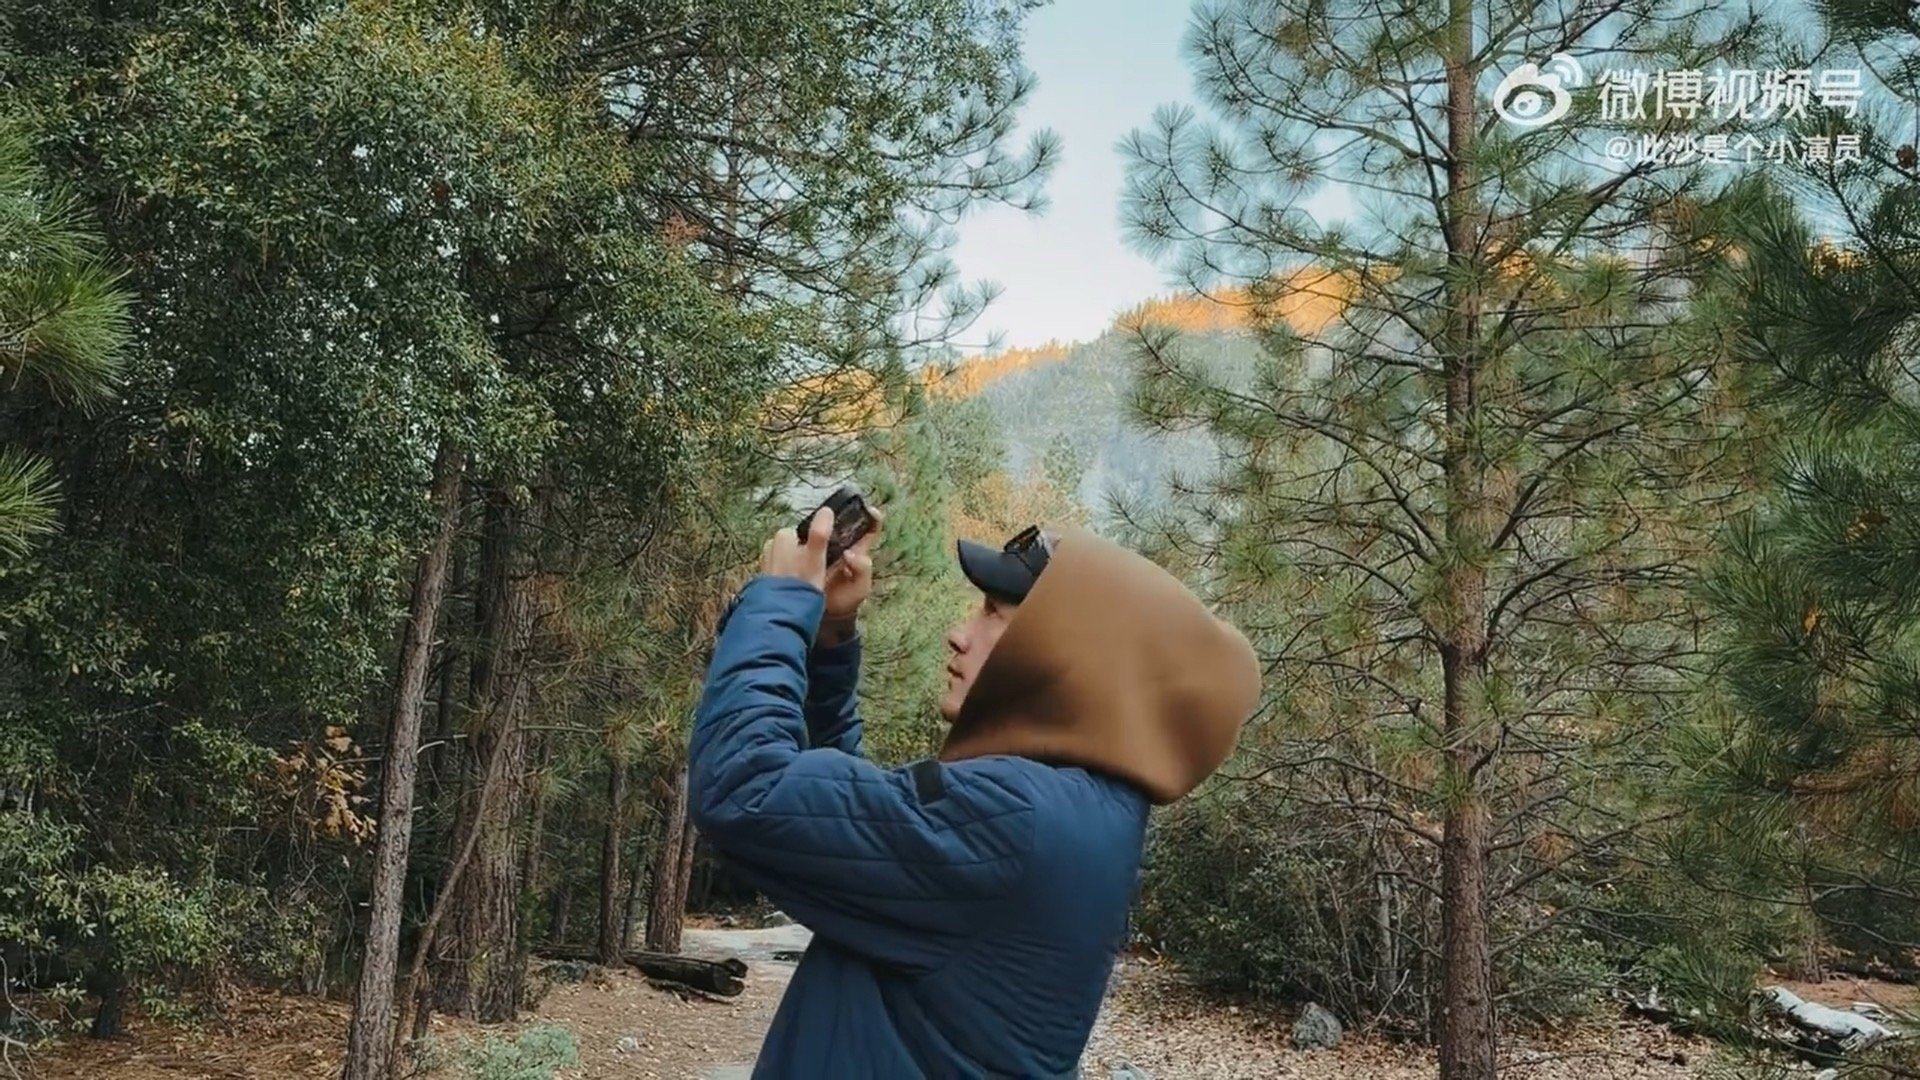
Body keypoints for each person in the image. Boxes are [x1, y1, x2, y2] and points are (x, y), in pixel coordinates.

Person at [687, 505, 1262, 1079]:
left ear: (1068, 658)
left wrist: (780, 598)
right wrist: (831, 643)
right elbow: (851, 839)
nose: (958, 635)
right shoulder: (1078, 812)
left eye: (992, 612)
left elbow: (745, 786)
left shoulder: (1016, 820)